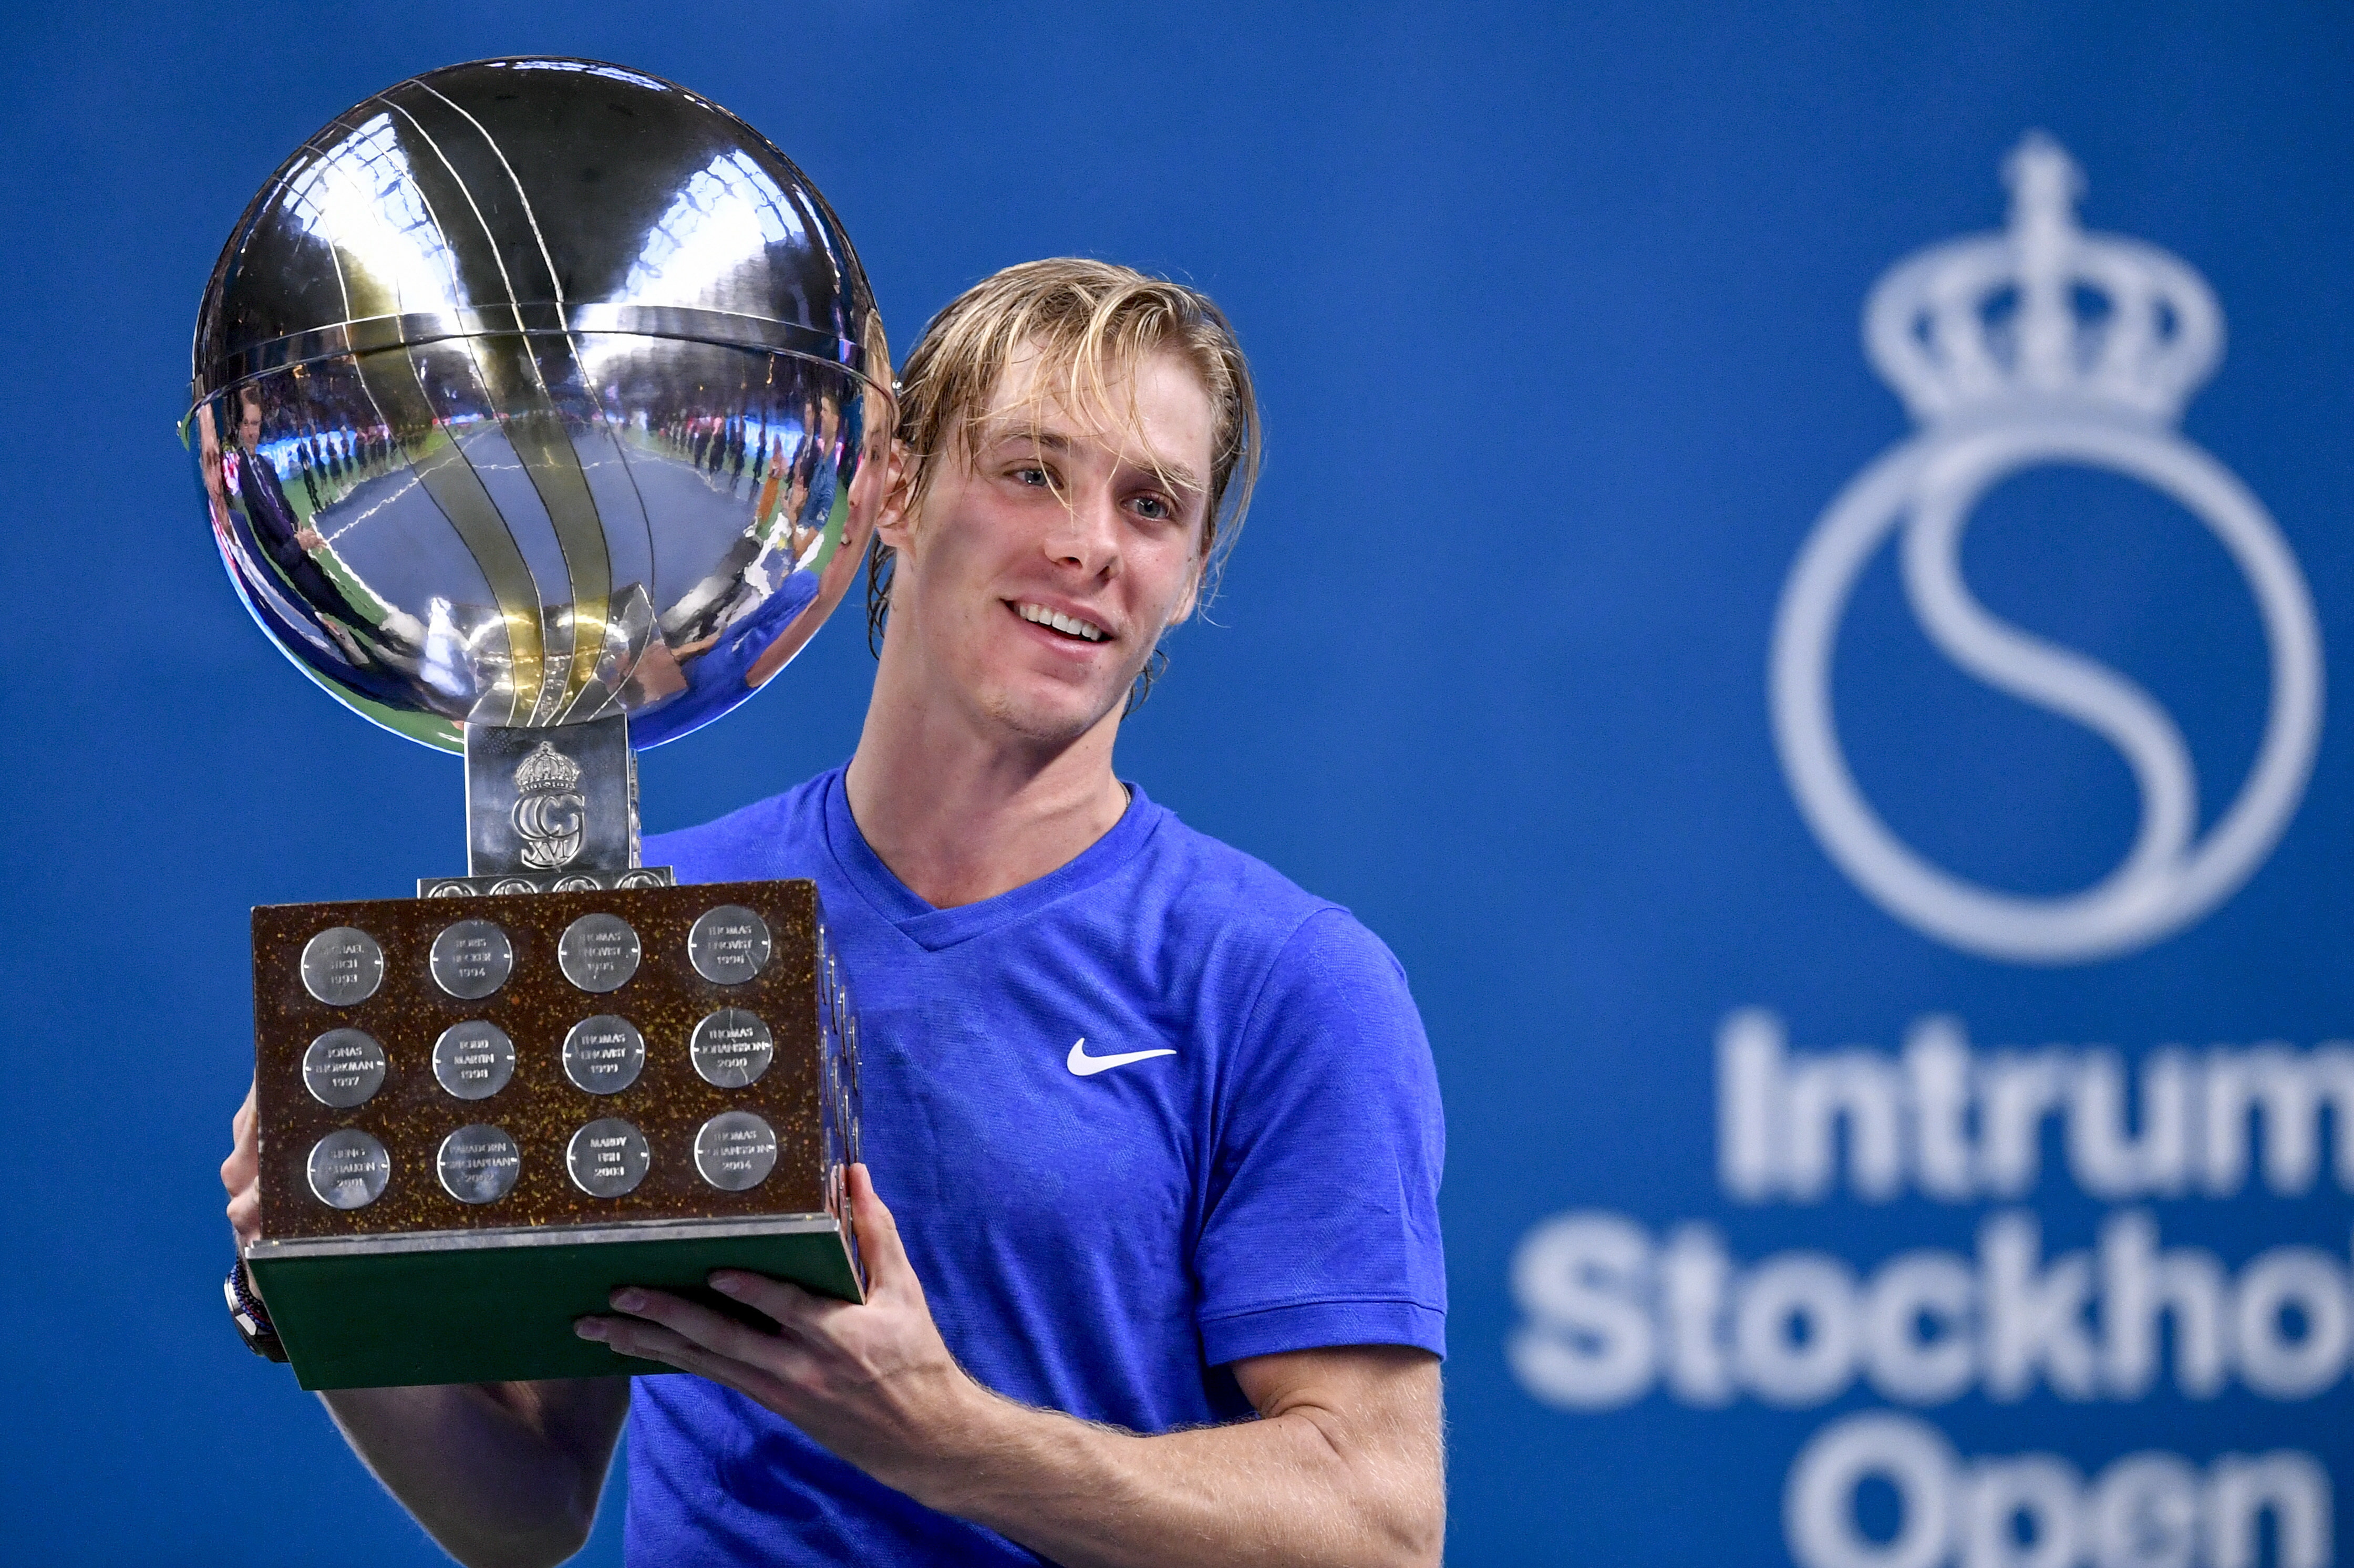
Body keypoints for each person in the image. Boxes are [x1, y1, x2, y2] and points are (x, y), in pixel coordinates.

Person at [221, 259, 1447, 1568]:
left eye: (1151, 505)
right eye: (1031, 469)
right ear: (893, 487)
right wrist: (310, 1267)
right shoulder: (656, 923)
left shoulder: (1284, 980)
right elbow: (527, 1506)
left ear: (1190, 571)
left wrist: (947, 1438)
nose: (1089, 543)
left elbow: (1375, 1528)